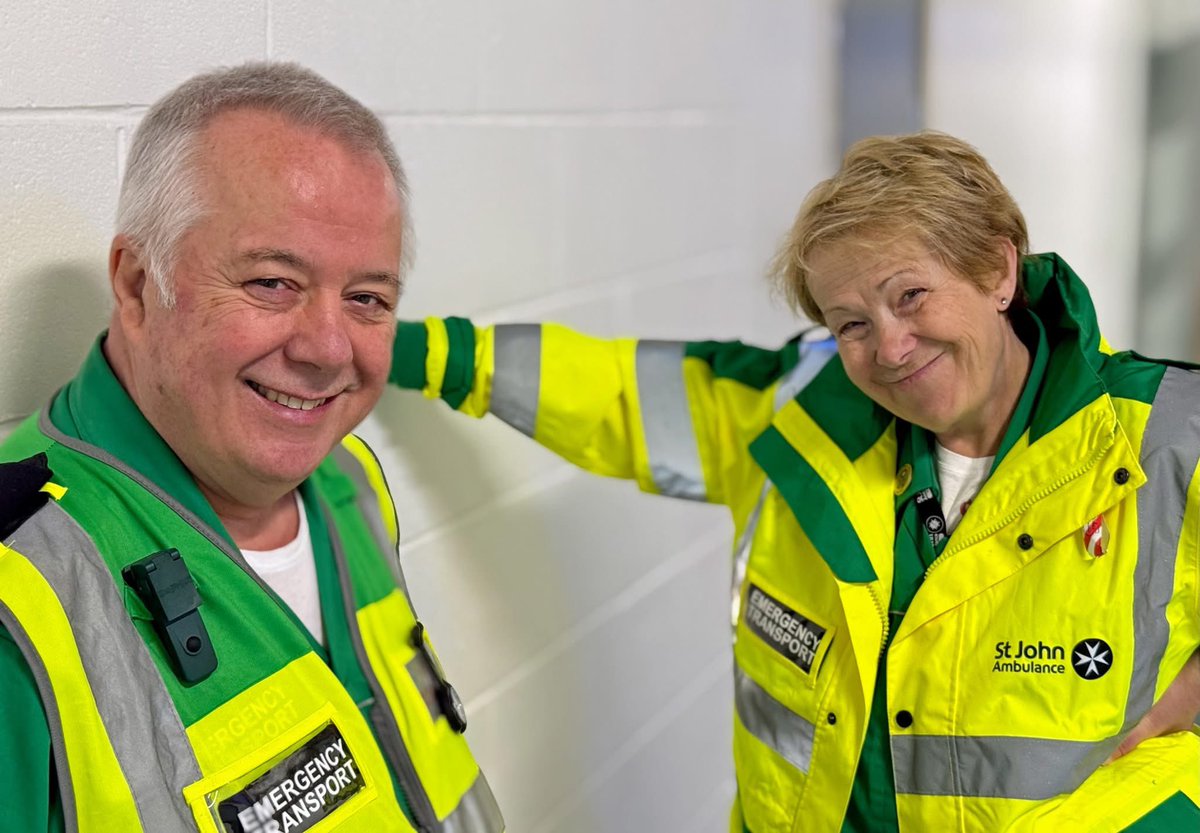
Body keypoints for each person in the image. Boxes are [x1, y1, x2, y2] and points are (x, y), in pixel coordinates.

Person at [388, 132, 1200, 830]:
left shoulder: (1169, 438)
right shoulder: (799, 422)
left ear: (996, 269)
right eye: (851, 322)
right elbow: (614, 395)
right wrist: (394, 347)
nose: (888, 347)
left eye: (909, 294)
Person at [0, 63, 503, 833]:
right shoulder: (24, 591)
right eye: (273, 282)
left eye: (368, 298)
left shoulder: (347, 479)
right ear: (138, 285)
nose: (330, 348)